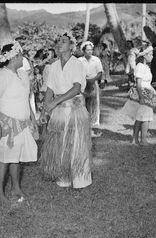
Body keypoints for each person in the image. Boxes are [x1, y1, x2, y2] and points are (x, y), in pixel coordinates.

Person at [0, 41, 38, 204]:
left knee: (16, 158)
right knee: (4, 159)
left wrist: (33, 119)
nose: (23, 57)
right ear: (14, 56)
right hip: (6, 124)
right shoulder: (0, 75)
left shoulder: (22, 75)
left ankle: (16, 187)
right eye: (21, 54)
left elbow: (26, 99)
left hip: (21, 125)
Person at [39, 31, 92, 189]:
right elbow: (49, 90)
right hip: (59, 110)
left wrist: (54, 102)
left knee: (76, 143)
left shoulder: (77, 63)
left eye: (63, 41)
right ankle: (63, 177)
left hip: (74, 109)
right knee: (59, 143)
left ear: (71, 46)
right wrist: (44, 111)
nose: (59, 43)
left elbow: (76, 89)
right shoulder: (53, 66)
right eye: (58, 41)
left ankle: (80, 179)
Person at [121, 46, 156, 145]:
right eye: (150, 54)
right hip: (143, 93)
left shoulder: (145, 67)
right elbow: (139, 83)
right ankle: (143, 139)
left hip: (147, 92)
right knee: (145, 117)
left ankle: (135, 139)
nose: (152, 56)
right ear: (144, 56)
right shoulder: (140, 66)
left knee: (140, 117)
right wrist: (141, 97)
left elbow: (147, 82)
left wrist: (152, 90)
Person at [78, 41, 103, 136]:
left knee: (94, 104)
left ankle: (94, 126)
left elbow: (100, 72)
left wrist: (93, 79)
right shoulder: (79, 60)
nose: (90, 51)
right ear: (83, 51)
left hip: (93, 84)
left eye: (91, 50)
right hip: (82, 84)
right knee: (82, 104)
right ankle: (83, 126)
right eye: (88, 50)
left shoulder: (96, 60)